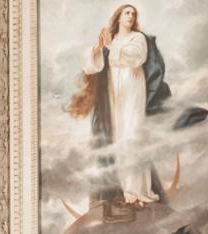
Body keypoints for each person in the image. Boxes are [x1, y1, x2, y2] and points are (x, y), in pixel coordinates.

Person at [70, 3, 171, 207]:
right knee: (117, 137)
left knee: (133, 135)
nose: (131, 16)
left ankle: (136, 190)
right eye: (127, 13)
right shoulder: (112, 39)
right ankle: (124, 189)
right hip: (114, 93)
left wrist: (109, 47)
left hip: (132, 90)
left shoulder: (137, 38)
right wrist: (99, 48)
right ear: (118, 17)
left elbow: (136, 58)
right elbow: (91, 66)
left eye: (133, 13)